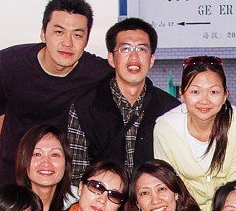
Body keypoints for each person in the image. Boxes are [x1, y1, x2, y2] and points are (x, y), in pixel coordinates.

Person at [0, 0, 113, 187]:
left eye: (77, 35)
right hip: (11, 173)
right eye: (59, 32)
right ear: (43, 34)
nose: (67, 43)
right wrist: (10, 157)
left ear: (86, 40)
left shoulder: (98, 72)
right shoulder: (9, 64)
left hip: (60, 177)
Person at [66, 18, 180, 185]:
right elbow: (77, 176)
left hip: (153, 199)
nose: (134, 57)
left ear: (151, 59)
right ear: (111, 59)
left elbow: (177, 172)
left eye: (141, 49)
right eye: (125, 49)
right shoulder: (84, 106)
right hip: (103, 199)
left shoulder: (170, 109)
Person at [153, 56, 236, 211]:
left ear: (225, 95)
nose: (204, 100)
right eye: (195, 92)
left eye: (213, 92)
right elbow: (168, 183)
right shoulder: (166, 128)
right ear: (182, 94)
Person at [14, 124, 78, 211]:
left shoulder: (79, 208)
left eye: (54, 154)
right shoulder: (7, 209)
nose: (46, 163)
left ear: (66, 163)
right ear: (23, 160)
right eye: (37, 154)